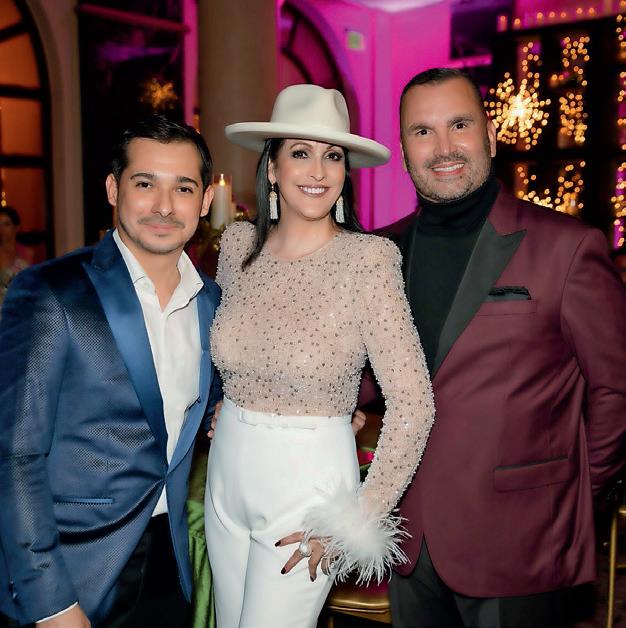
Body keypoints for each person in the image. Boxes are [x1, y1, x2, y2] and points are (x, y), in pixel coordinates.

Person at [385, 67, 626, 628]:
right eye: (422, 131)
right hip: (408, 543)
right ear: (404, 151)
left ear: (491, 136)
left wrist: (568, 494)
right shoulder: (381, 254)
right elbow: (362, 377)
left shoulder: (568, 248)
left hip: (522, 540)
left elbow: (617, 389)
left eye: (460, 125)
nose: (443, 147)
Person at [203, 84, 435, 628]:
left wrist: (357, 518)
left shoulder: (367, 260)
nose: (318, 171)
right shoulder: (237, 247)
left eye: (332, 156)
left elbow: (414, 402)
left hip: (308, 488)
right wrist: (223, 405)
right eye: (301, 153)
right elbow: (232, 350)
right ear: (272, 167)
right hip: (225, 476)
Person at [0, 115, 222, 627]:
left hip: (169, 565)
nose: (164, 206)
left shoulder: (211, 302)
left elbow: (212, 403)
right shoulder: (51, 291)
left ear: (205, 200)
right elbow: (15, 455)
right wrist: (50, 602)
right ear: (112, 189)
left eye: (182, 188)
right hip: (71, 571)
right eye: (145, 184)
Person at [0, 206, 30, 311]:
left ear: (16, 228)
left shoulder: (26, 253)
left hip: (20, 309)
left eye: (6, 224)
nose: (1, 229)